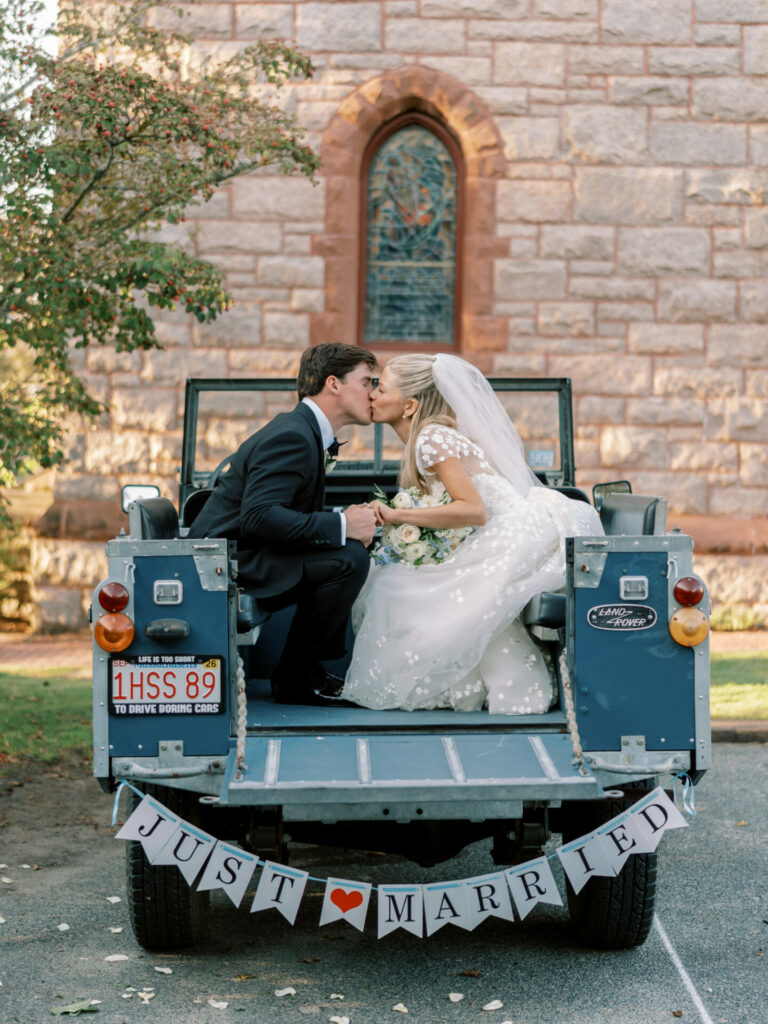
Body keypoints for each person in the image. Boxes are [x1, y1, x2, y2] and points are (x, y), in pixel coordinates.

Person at [342, 353, 604, 715]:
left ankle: (471, 685)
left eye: (381, 388)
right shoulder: (428, 436)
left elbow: (473, 510)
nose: (371, 395)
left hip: (517, 529)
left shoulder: (431, 438)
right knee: (392, 578)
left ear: (410, 405)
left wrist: (398, 515)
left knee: (396, 587)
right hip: (503, 526)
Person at [189, 343, 378, 705]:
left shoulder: (302, 430)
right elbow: (259, 517)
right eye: (367, 381)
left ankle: (302, 671)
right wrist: (341, 526)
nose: (372, 392)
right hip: (225, 562)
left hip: (245, 552)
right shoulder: (292, 435)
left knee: (346, 552)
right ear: (334, 384)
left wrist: (344, 519)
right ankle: (296, 677)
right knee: (348, 557)